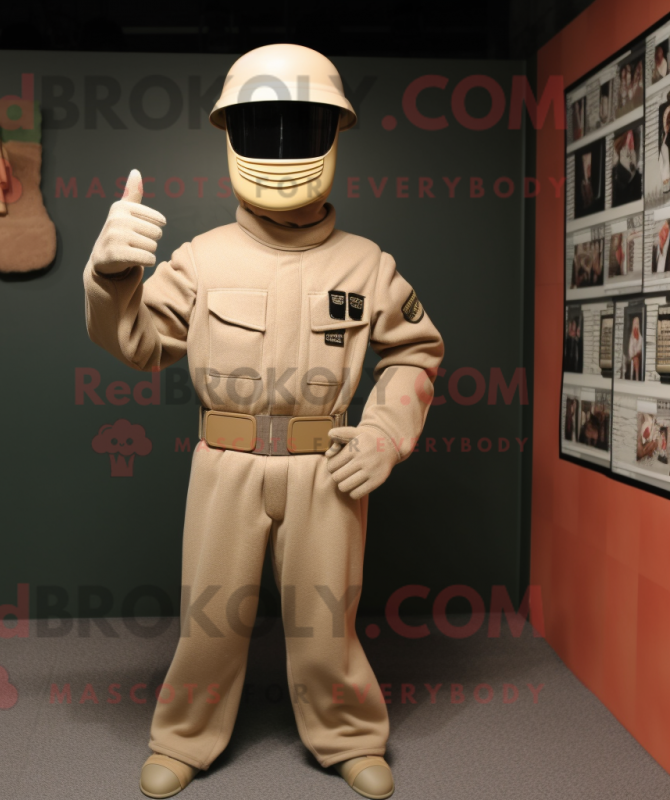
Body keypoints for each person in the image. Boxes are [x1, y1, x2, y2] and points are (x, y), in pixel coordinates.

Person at [82, 44, 444, 800]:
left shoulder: (367, 264)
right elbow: (138, 343)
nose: (281, 151)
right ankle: (184, 737)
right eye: (260, 129)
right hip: (227, 464)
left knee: (326, 619)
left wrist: (384, 435)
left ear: (335, 136)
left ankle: (349, 735)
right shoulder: (201, 259)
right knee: (210, 616)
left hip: (326, 467)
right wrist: (112, 276)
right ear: (229, 136)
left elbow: (416, 352)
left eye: (303, 128)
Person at [628, 315, 643, 380]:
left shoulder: (640, 336)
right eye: (635, 323)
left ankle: (637, 376)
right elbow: (630, 347)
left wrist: (637, 352)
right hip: (633, 355)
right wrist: (633, 354)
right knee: (635, 359)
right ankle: (635, 376)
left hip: (638, 354)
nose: (636, 325)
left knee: (637, 359)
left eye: (637, 323)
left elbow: (640, 345)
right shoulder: (632, 336)